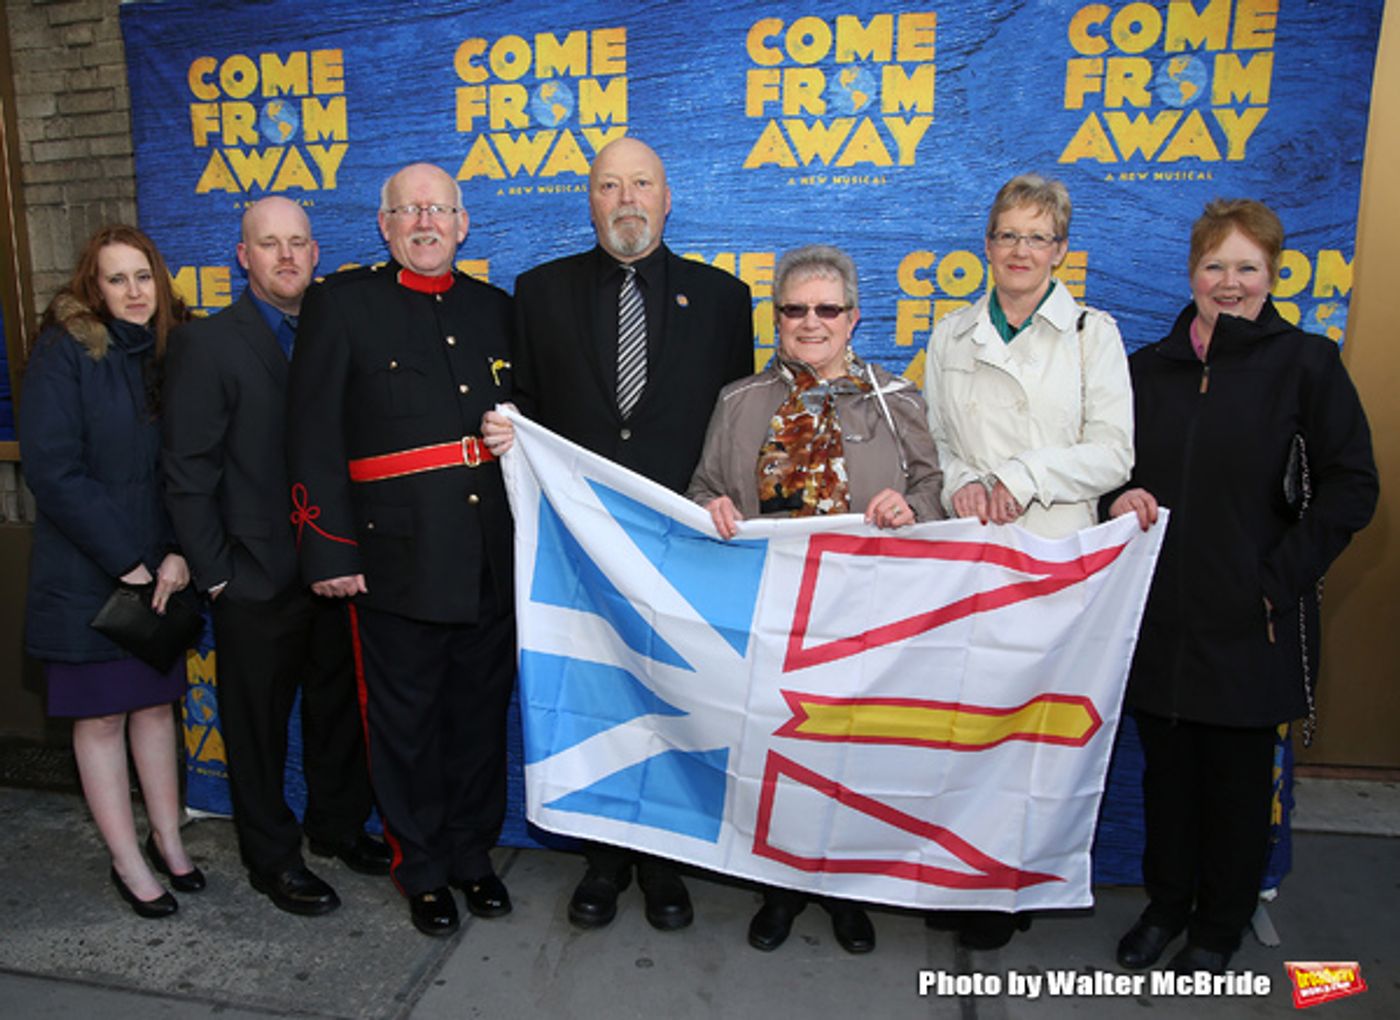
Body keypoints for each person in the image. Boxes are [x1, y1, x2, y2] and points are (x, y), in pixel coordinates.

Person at [482, 137, 753, 932]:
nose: (625, 198)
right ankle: (602, 862)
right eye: (608, 185)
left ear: (669, 199)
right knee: (594, 700)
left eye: (641, 184)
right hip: (579, 550)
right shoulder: (536, 293)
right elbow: (525, 407)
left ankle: (665, 865)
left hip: (678, 547)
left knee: (672, 695)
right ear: (589, 199)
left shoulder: (723, 298)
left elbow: (732, 423)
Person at [1106, 199, 1377, 975]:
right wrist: (1113, 498)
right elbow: (1112, 471)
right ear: (1192, 272)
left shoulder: (1307, 363)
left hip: (1252, 622)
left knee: (1233, 788)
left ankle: (1220, 927)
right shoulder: (1146, 369)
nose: (1230, 283)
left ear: (1273, 274)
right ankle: (1166, 908)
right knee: (1166, 779)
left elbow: (1351, 486)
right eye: (1215, 266)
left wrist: (1276, 581)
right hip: (1159, 617)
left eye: (1247, 267)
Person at [688, 243, 944, 954]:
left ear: (853, 317)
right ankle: (781, 889)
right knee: (782, 751)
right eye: (794, 309)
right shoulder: (739, 402)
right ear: (777, 317)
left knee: (852, 754)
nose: (810, 322)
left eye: (826, 309)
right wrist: (712, 509)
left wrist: (910, 506)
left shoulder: (897, 401)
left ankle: (845, 890)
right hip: (773, 613)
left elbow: (934, 489)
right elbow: (704, 489)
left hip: (870, 613)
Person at [286, 164, 516, 937]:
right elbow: (312, 435)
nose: (424, 221)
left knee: (479, 720)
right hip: (392, 561)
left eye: (439, 209)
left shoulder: (496, 311)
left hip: (489, 556)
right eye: (408, 210)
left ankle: (471, 855)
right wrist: (328, 550)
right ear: (384, 227)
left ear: (463, 224)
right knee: (407, 725)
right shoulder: (341, 306)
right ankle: (419, 867)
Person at [922, 173, 1133, 949]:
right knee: (964, 724)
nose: (1021, 250)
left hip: (1054, 561)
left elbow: (1114, 452)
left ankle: (1008, 884)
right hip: (972, 555)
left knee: (1030, 733)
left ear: (1062, 251)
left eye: (1038, 237)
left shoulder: (1093, 335)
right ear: (987, 245)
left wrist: (1021, 478)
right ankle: (957, 873)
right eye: (1008, 234)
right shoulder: (949, 334)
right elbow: (936, 442)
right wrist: (964, 483)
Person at [162, 197, 389, 917]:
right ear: (243, 256)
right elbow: (187, 471)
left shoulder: (338, 330)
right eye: (269, 244)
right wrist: (220, 575)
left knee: (338, 713)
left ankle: (337, 827)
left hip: (337, 567)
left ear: (316, 254)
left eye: (297, 243)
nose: (286, 256)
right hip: (254, 579)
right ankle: (272, 858)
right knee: (256, 729)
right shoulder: (209, 343)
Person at [21, 224, 200, 918]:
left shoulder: (167, 352)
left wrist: (179, 553)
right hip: (87, 575)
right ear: (93, 288)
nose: (133, 291)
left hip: (161, 570)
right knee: (99, 720)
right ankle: (127, 862)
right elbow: (54, 471)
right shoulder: (65, 354)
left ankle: (168, 839)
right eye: (116, 278)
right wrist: (128, 563)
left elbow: (182, 467)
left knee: (155, 707)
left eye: (144, 276)